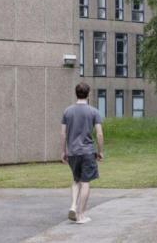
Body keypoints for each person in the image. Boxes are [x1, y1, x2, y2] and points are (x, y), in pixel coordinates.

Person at [61, 82, 104, 224]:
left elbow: (63, 134)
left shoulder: (67, 111)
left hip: (72, 152)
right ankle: (80, 215)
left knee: (76, 180)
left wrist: (63, 151)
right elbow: (99, 134)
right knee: (85, 182)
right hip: (87, 152)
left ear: (76, 93)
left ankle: (73, 205)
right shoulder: (93, 112)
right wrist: (100, 151)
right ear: (88, 94)